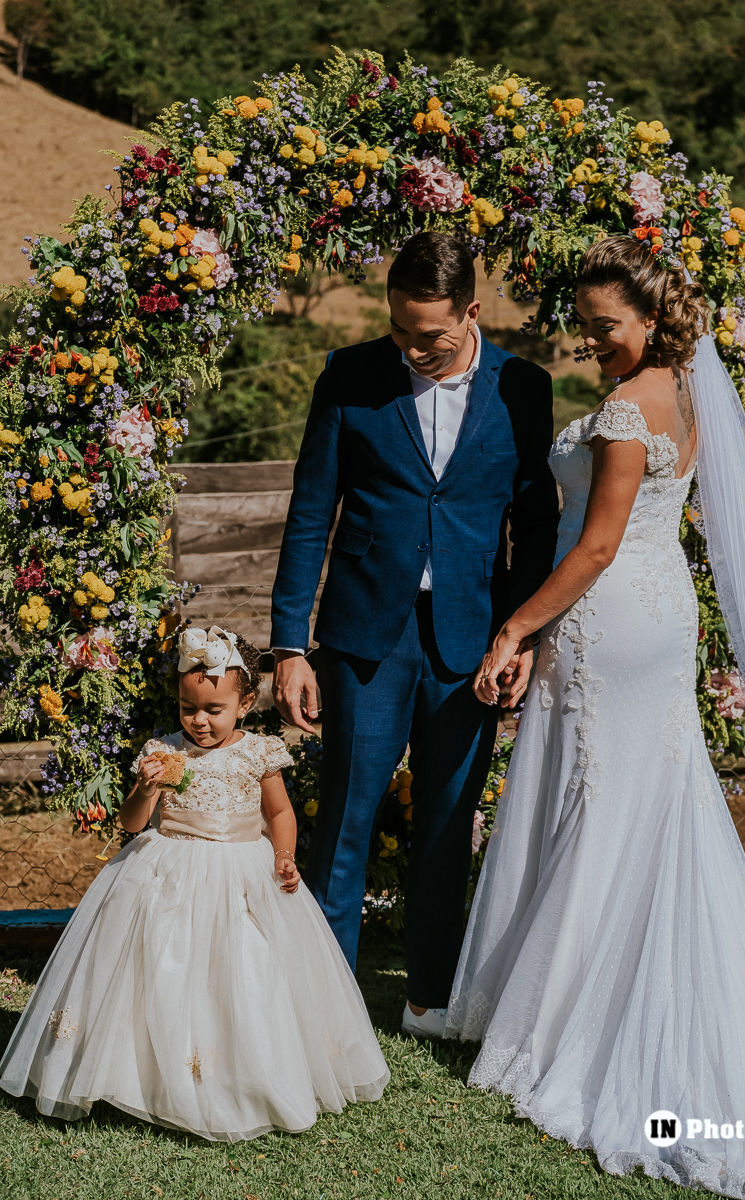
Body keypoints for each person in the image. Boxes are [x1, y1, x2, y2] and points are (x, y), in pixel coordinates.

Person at [445, 235, 745, 1197]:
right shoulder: (686, 391)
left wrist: (514, 630)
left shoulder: (625, 414)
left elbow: (596, 546)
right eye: (589, 327)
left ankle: (566, 1019)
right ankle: (577, 986)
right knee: (639, 801)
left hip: (607, 615)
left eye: (606, 327)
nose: (593, 342)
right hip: (660, 615)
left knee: (595, 804)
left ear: (651, 319)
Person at [270, 231, 559, 1037]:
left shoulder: (525, 388)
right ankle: (321, 1005)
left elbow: (535, 524)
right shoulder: (349, 376)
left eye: (428, 333)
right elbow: (308, 515)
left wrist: (522, 633)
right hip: (364, 640)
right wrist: (290, 645)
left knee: (446, 823)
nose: (411, 347)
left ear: (471, 311)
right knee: (344, 822)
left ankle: (429, 998)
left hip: (474, 642)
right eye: (399, 328)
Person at [0, 626, 388, 1141]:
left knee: (245, 971)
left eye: (213, 710)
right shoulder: (161, 751)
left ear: (245, 703)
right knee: (160, 966)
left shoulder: (258, 753)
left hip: (243, 872)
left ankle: (244, 1076)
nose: (199, 722)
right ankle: (146, 1078)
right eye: (189, 709)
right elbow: (133, 823)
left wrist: (285, 855)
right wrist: (145, 787)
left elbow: (281, 813)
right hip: (167, 869)